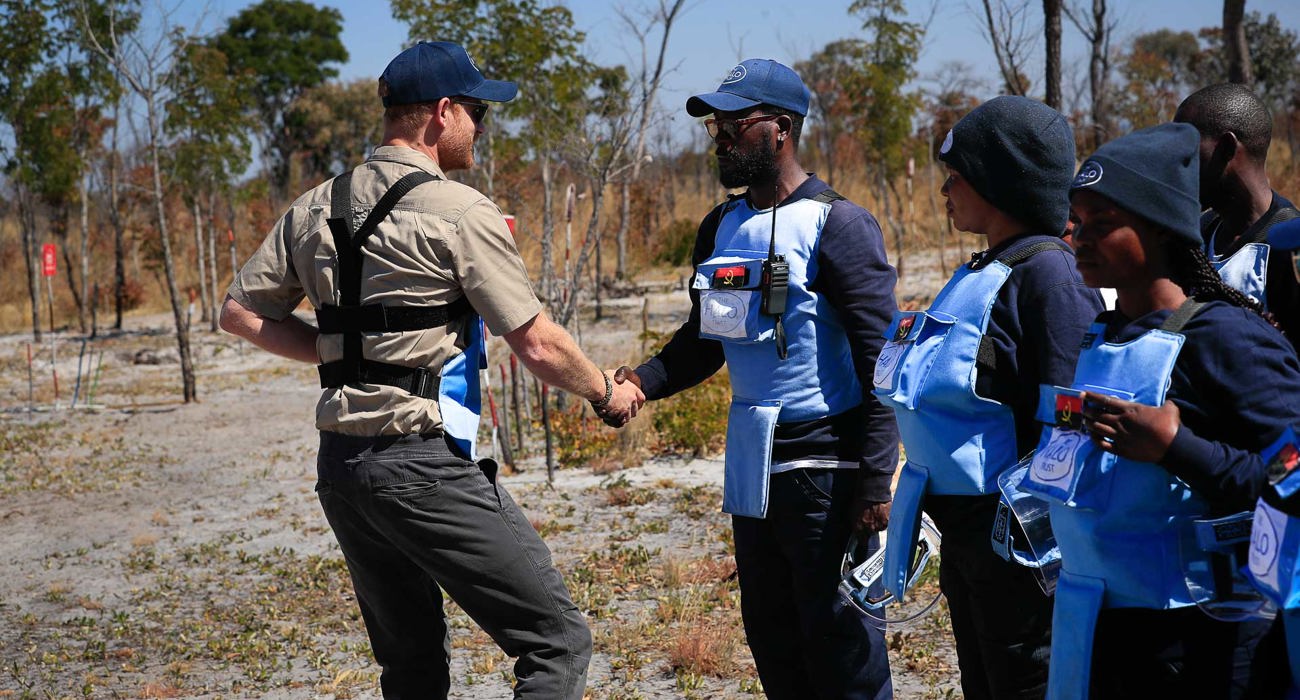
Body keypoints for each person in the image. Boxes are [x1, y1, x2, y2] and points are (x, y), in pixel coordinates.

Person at [219, 41, 643, 699]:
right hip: (421, 466)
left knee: (411, 668)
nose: (481, 127)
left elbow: (240, 314)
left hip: (342, 471)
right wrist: (604, 392)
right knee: (556, 641)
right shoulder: (458, 210)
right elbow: (536, 342)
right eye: (478, 111)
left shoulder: (314, 206)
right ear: (442, 113)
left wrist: (340, 356)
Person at [611, 59, 898, 699]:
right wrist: (642, 382)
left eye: (735, 124)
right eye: (716, 126)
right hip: (752, 467)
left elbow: (882, 360)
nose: (721, 137)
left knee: (843, 644)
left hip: (827, 468)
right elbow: (704, 342)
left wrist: (877, 479)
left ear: (782, 129)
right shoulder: (720, 227)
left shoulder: (838, 225)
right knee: (773, 637)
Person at [1021, 122, 1300, 699]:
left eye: (1104, 225)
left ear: (1163, 229)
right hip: (1101, 622)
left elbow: (1292, 476)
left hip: (1203, 642)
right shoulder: (1103, 331)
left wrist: (1178, 449)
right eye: (1077, 226)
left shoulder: (1223, 336)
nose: (1081, 241)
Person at [874, 95, 1102, 700]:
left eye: (957, 176)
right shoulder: (984, 270)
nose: (944, 190)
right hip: (972, 543)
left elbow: (1068, 424)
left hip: (1017, 548)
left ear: (999, 183)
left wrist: (1036, 542)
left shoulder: (1048, 275)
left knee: (1024, 681)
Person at [1174, 83, 1300, 341]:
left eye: (1186, 148)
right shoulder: (1197, 233)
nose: (1177, 163)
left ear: (1226, 148)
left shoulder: (1288, 248)